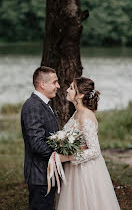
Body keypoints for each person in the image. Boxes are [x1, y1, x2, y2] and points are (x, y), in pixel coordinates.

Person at [56, 76, 121, 210]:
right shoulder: (76, 113)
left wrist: (67, 157)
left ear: (80, 95)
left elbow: (95, 151)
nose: (67, 90)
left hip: (85, 171)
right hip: (73, 169)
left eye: (71, 88)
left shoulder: (86, 116)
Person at [21, 66, 60, 210]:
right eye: (55, 82)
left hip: (47, 174)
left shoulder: (44, 104)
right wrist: (60, 156)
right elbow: (37, 144)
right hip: (40, 175)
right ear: (43, 84)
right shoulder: (33, 106)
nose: (58, 86)